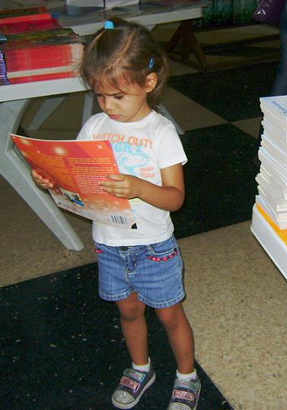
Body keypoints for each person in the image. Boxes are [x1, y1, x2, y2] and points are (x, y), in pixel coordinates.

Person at [31, 18, 200, 410]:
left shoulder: (161, 133)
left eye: (118, 96)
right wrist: (53, 179)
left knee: (170, 315)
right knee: (127, 311)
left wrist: (141, 188)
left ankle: (187, 375)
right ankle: (141, 368)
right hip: (110, 243)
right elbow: (80, 183)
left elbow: (176, 198)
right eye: (100, 95)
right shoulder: (94, 126)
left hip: (153, 245)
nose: (108, 106)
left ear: (149, 83)